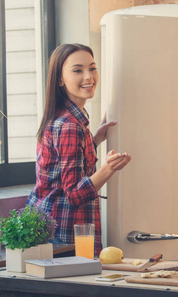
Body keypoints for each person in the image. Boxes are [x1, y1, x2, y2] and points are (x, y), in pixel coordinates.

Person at [27, 43, 131, 254]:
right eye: (77, 70)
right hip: (63, 236)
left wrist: (93, 141)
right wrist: (108, 169)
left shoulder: (69, 119)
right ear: (59, 79)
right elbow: (74, 194)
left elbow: (62, 167)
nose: (89, 77)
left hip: (54, 231)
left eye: (92, 68)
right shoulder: (70, 126)